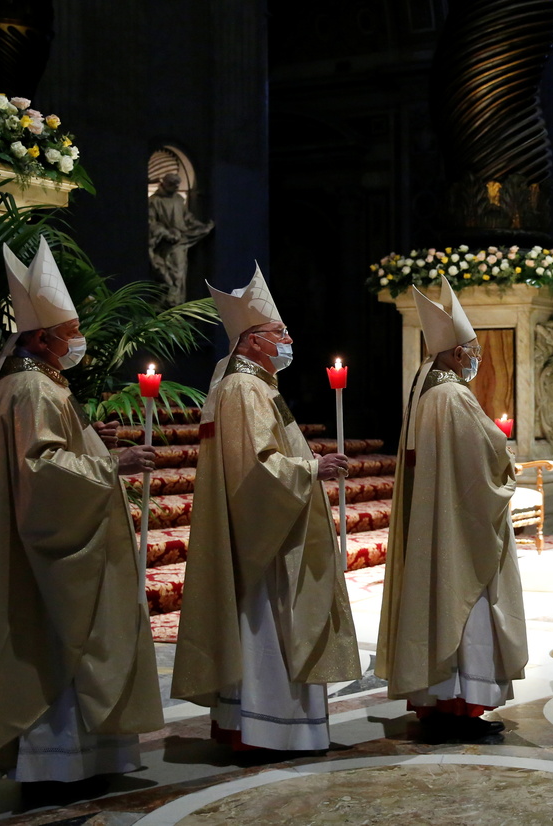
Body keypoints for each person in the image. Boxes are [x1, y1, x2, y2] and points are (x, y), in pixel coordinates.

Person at [0, 238, 163, 788]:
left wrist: (92, 440)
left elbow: (51, 449)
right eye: (69, 330)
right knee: (58, 644)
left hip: (42, 538)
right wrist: (112, 464)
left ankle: (78, 758)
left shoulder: (32, 380)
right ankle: (61, 762)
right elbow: (42, 470)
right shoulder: (32, 387)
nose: (78, 339)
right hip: (50, 554)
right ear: (39, 337)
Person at [171, 265, 360, 752]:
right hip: (266, 537)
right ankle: (265, 728)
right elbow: (255, 467)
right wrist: (312, 469)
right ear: (253, 340)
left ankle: (264, 725)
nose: (289, 340)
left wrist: (308, 467)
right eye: (280, 332)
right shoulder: (244, 388)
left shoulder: (253, 383)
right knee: (266, 626)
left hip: (274, 524)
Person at [376, 277, 528, 743]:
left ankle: (439, 701)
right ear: (458, 353)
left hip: (437, 521)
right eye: (474, 350)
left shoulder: (424, 389)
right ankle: (459, 707)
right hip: (459, 530)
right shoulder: (454, 396)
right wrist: (505, 460)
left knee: (436, 605)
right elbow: (484, 457)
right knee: (464, 610)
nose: (477, 357)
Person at [148, 172, 214, 306]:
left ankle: (177, 302)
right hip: (165, 243)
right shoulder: (154, 201)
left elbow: (187, 218)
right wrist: (166, 233)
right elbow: (151, 223)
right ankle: (169, 303)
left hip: (180, 241)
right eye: (173, 185)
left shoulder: (178, 199)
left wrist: (201, 226)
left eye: (177, 185)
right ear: (165, 184)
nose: (175, 188)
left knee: (179, 272)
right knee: (170, 273)